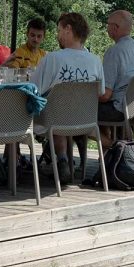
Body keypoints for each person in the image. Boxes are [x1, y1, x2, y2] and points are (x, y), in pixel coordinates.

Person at [32, 12, 103, 183]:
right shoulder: (95, 61)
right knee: (60, 108)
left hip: (55, 120)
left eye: (59, 30)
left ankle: (62, 159)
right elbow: (100, 92)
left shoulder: (52, 58)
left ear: (68, 29)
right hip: (86, 120)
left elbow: (33, 90)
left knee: (49, 108)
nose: (57, 35)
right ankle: (64, 159)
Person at [100, 9, 134, 139]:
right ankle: (114, 149)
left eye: (108, 24)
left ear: (115, 28)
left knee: (83, 112)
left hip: (120, 110)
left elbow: (105, 95)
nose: (107, 27)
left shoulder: (114, 52)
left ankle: (110, 147)